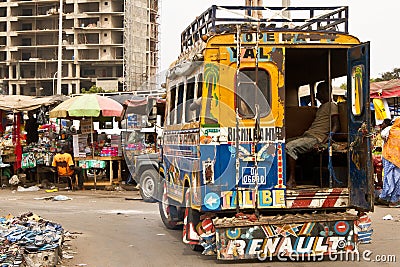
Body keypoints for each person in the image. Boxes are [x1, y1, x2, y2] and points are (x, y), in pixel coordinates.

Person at [285, 81, 340, 189]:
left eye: (319, 92)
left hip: (316, 138)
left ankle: (292, 180)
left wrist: (326, 140)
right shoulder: (321, 107)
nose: (317, 95)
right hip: (308, 135)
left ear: (326, 92)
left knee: (289, 147)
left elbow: (336, 125)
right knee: (283, 142)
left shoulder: (332, 105)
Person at [378, 118, 400, 208]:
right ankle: (393, 200)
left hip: (388, 157)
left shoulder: (390, 129)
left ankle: (386, 197)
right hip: (398, 159)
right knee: (397, 179)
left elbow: (382, 135)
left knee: (388, 177)